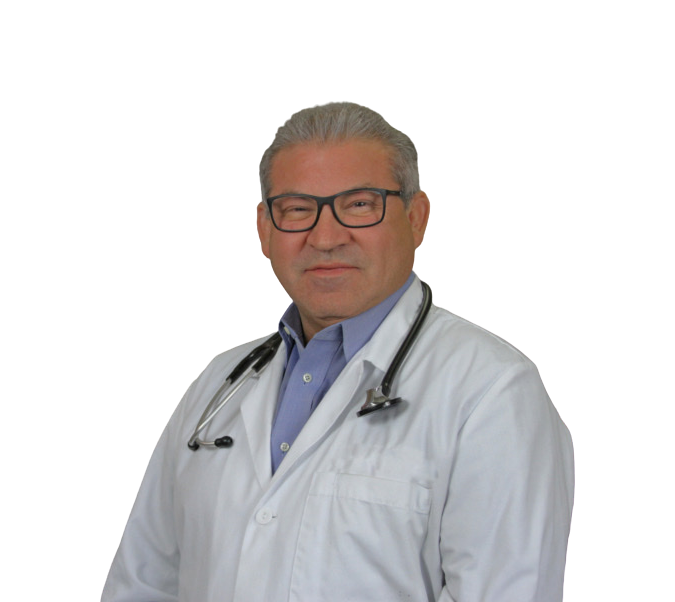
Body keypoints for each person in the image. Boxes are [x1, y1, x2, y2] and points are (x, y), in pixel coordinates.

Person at [102, 101, 574, 601]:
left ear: (417, 218)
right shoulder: (219, 382)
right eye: (297, 209)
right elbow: (141, 585)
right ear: (264, 229)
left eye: (359, 205)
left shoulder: (492, 392)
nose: (324, 238)